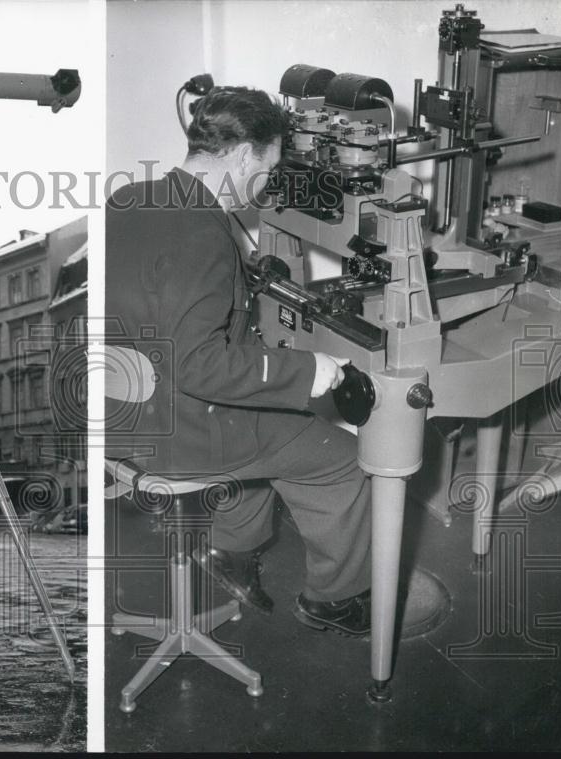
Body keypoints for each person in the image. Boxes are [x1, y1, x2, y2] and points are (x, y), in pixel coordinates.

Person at [105, 87, 372, 635]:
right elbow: (199, 366)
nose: (267, 182)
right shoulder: (202, 233)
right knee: (344, 459)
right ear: (244, 154)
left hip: (123, 413)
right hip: (180, 429)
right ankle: (332, 600)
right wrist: (310, 371)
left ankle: (233, 550)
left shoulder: (130, 199)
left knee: (268, 430)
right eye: (269, 167)